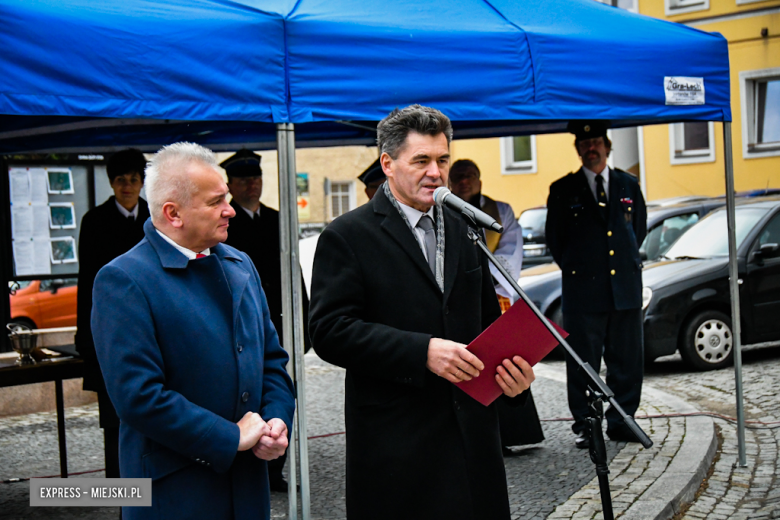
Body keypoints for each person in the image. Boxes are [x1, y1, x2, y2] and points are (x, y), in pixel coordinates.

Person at [309, 104, 536, 520]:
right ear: (388, 164)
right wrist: (423, 351)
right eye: (422, 161)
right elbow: (328, 331)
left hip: (472, 444)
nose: (436, 172)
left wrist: (515, 381)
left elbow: (487, 323)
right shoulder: (347, 235)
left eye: (442, 160)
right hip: (398, 447)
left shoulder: (465, 226)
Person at [91, 142, 295, 520]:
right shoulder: (124, 280)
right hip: (176, 491)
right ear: (173, 213)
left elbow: (271, 360)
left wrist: (277, 419)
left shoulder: (240, 264)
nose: (230, 210)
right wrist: (229, 437)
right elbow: (138, 397)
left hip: (247, 485)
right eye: (216, 201)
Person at [545, 121, 647, 449]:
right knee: (584, 363)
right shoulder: (562, 189)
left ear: (607, 145)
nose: (591, 148)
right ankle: (587, 424)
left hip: (625, 290)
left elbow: (638, 230)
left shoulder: (628, 185)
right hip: (583, 292)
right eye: (584, 143)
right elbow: (556, 241)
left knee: (627, 359)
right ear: (577, 149)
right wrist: (583, 271)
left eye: (596, 142)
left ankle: (622, 419)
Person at [221, 148, 310, 493]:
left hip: (280, 322)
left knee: (279, 393)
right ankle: (249, 461)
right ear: (231, 184)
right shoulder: (227, 223)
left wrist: (303, 323)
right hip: (244, 326)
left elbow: (295, 273)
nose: (251, 185)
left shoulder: (277, 219)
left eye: (256, 178)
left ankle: (275, 468)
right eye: (244, 179)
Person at [448, 158, 544, 453]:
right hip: (458, 300)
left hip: (494, 295)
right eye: (458, 176)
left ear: (479, 180)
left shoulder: (499, 211)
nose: (464, 181)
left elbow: (510, 250)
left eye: (470, 176)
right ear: (450, 182)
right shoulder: (443, 210)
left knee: (503, 364)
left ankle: (510, 434)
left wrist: (480, 278)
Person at [76, 148, 150, 479]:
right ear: (111, 183)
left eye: (134, 179)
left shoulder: (154, 218)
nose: (127, 186)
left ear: (142, 182)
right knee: (114, 420)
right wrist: (87, 337)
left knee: (152, 415)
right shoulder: (95, 221)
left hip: (150, 329)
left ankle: (152, 494)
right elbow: (86, 283)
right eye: (121, 180)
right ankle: (123, 496)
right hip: (109, 330)